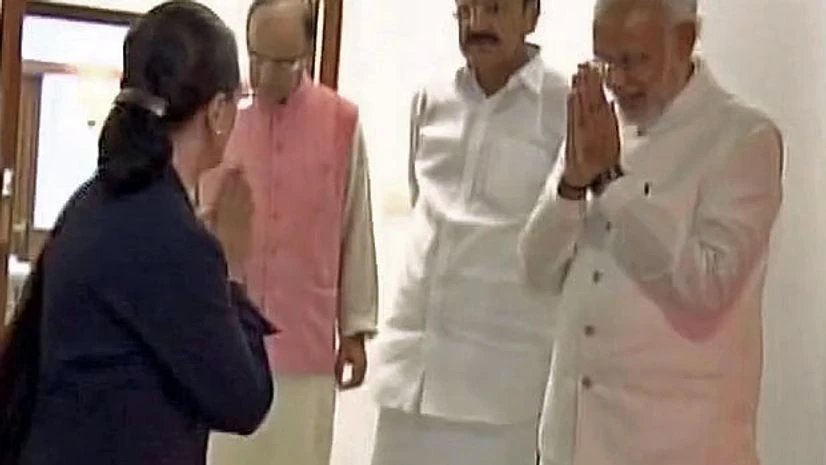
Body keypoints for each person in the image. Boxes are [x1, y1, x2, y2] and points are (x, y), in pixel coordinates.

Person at [0, 2, 276, 464]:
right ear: (218, 112)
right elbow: (243, 401)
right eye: (238, 100)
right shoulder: (172, 237)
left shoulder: (95, 201)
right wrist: (232, 266)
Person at [519, 0, 784, 464]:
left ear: (685, 41)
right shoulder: (598, 126)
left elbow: (706, 285)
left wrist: (610, 182)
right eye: (606, 62)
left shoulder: (743, 138)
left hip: (680, 446)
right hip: (573, 444)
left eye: (633, 60)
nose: (617, 80)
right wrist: (572, 184)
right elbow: (535, 271)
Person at [368, 1, 567, 464]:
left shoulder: (563, 108)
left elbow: (564, 240)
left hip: (497, 393)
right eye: (465, 10)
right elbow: (423, 208)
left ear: (531, 14)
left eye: (493, 8)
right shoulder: (430, 100)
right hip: (409, 378)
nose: (477, 24)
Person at [199, 1, 378, 464]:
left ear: (307, 53)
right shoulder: (220, 118)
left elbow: (356, 226)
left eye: (281, 63)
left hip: (305, 344)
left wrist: (355, 329)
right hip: (225, 344)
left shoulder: (341, 123)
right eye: (255, 58)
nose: (263, 75)